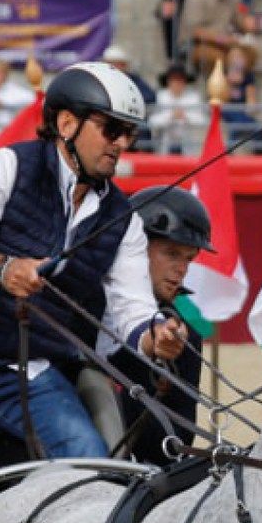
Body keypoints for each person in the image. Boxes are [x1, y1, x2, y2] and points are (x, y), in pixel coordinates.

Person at [0, 63, 186, 523]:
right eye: (111, 129)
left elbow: (132, 311)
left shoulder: (123, 219)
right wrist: (2, 269)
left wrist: (158, 338)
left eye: (129, 133)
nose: (122, 144)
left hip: (29, 370)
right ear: (67, 123)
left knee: (93, 462)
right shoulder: (1, 168)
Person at [104, 188, 211, 462]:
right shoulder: (80, 300)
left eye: (189, 258)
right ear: (133, 246)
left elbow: (177, 440)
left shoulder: (186, 338)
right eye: (172, 253)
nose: (182, 269)